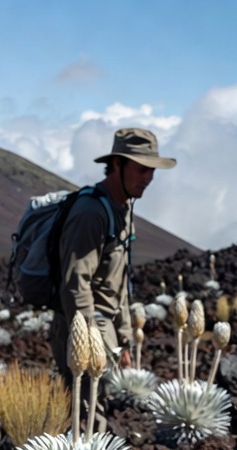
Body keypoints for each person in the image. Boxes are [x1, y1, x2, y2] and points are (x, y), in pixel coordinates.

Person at [49, 127, 176, 382]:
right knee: (89, 411)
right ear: (117, 164)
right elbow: (76, 284)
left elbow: (118, 284)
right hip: (86, 326)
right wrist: (93, 343)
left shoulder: (122, 207)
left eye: (152, 170)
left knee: (104, 409)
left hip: (106, 328)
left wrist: (124, 340)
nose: (149, 177)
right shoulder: (91, 213)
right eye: (142, 168)